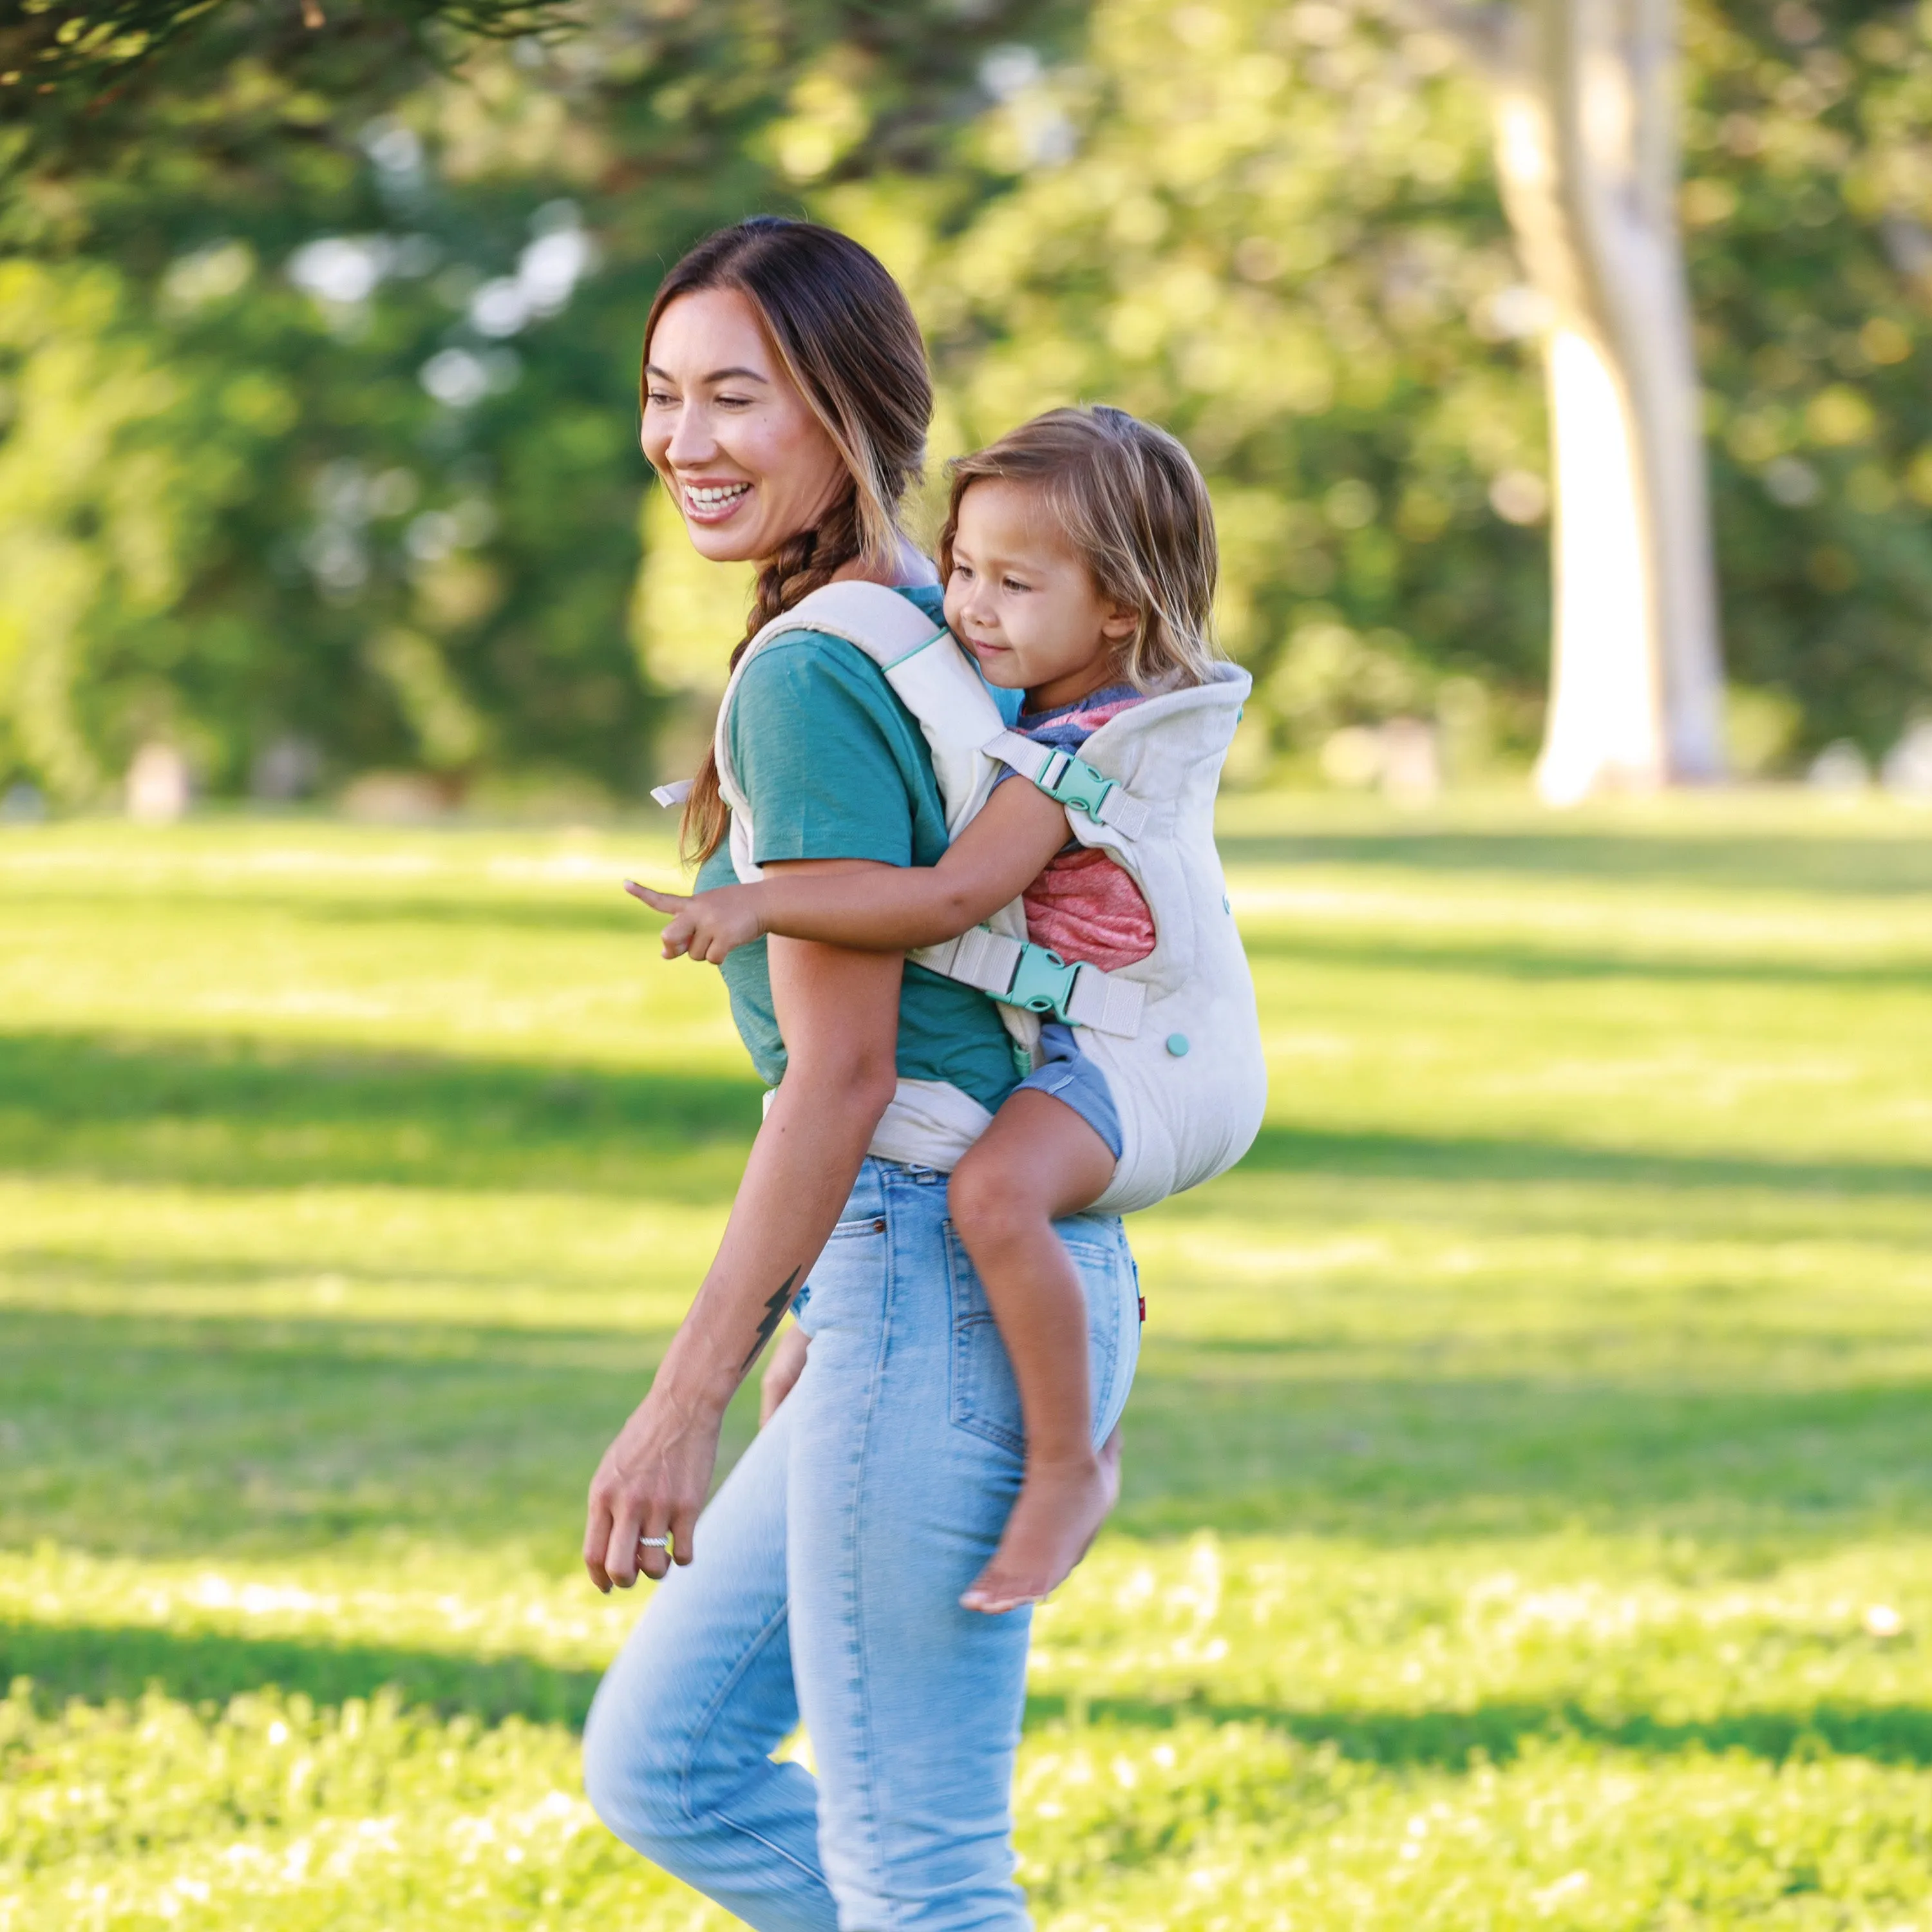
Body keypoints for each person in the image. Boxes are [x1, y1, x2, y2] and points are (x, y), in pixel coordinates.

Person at [578, 217, 1142, 1932]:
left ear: (845, 407)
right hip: (931, 1274)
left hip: (934, 1280)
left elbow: (843, 1075)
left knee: (922, 1872)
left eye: (735, 397)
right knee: (665, 1763)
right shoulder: (934, 619)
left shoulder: (823, 668)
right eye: (666, 397)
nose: (687, 441)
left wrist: (683, 1396)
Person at [627, 405, 1220, 1616]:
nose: (972, 607)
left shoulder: (1086, 745)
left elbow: (951, 894)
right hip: (1096, 1059)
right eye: (961, 570)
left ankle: (1072, 1464)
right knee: (670, 1771)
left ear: (1120, 608)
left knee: (994, 1194)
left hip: (1148, 1065)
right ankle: (1068, 1414)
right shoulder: (1022, 694)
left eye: (1015, 582)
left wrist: (760, 907)